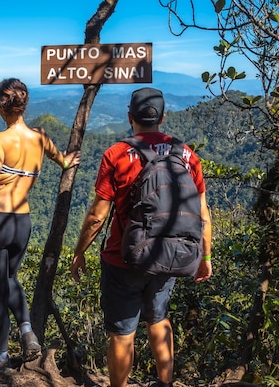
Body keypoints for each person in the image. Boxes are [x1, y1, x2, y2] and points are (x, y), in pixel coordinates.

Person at [70, 87, 212, 387]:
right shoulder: (187, 155)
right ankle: (166, 383)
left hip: (124, 259)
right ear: (162, 117)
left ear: (129, 116)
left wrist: (79, 251)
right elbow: (202, 214)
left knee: (123, 333)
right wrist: (205, 257)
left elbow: (97, 215)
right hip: (170, 255)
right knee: (158, 320)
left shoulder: (117, 154)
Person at [0, 78, 81, 373]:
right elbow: (60, 159)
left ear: (0, 106)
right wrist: (66, 161)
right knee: (10, 278)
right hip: (21, 221)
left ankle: (0, 355)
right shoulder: (40, 137)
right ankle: (27, 330)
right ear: (24, 105)